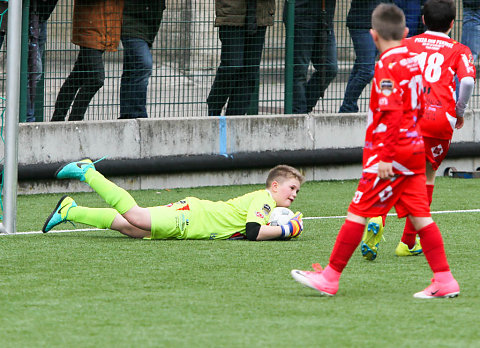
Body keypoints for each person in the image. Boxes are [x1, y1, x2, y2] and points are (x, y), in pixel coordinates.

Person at [291, 3, 460, 299]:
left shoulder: (387, 64)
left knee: (357, 213)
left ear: (372, 35)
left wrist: (383, 155)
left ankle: (330, 277)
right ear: (406, 31)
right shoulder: (413, 60)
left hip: (389, 153)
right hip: (413, 149)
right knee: (421, 217)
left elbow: (389, 112)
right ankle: (444, 280)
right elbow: (419, 105)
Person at [361, 0, 476, 260]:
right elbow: (467, 80)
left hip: (408, 116)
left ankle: (378, 216)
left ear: (422, 20)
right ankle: (407, 243)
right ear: (452, 24)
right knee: (426, 177)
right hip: (439, 119)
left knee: (396, 172)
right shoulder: (459, 49)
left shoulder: (407, 43)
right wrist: (459, 111)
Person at [42, 160, 304, 241]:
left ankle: (70, 210)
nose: (293, 194)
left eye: (297, 191)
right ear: (275, 184)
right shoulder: (265, 198)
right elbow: (253, 231)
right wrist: (288, 229)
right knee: (136, 217)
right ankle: (87, 171)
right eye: (291, 187)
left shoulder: (266, 202)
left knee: (130, 228)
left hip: (192, 218)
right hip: (191, 218)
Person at [51, 0, 124, 121]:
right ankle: (75, 119)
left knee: (77, 77)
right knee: (96, 78)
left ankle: (57, 119)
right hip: (91, 28)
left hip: (104, 27)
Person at [206, 0, 275, 117]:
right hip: (231, 13)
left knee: (250, 72)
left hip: (260, 14)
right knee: (231, 66)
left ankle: (235, 119)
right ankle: (214, 108)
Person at [284, 0, 338, 114]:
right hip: (301, 16)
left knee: (330, 68)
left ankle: (304, 108)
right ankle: (299, 114)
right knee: (299, 71)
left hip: (325, 18)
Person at [118, 0, 165, 119]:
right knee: (144, 65)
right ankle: (138, 114)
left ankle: (127, 114)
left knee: (131, 70)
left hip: (146, 30)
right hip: (132, 26)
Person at [339, 0, 384, 113]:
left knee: (360, 66)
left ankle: (348, 106)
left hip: (380, 23)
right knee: (366, 70)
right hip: (362, 23)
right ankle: (347, 107)